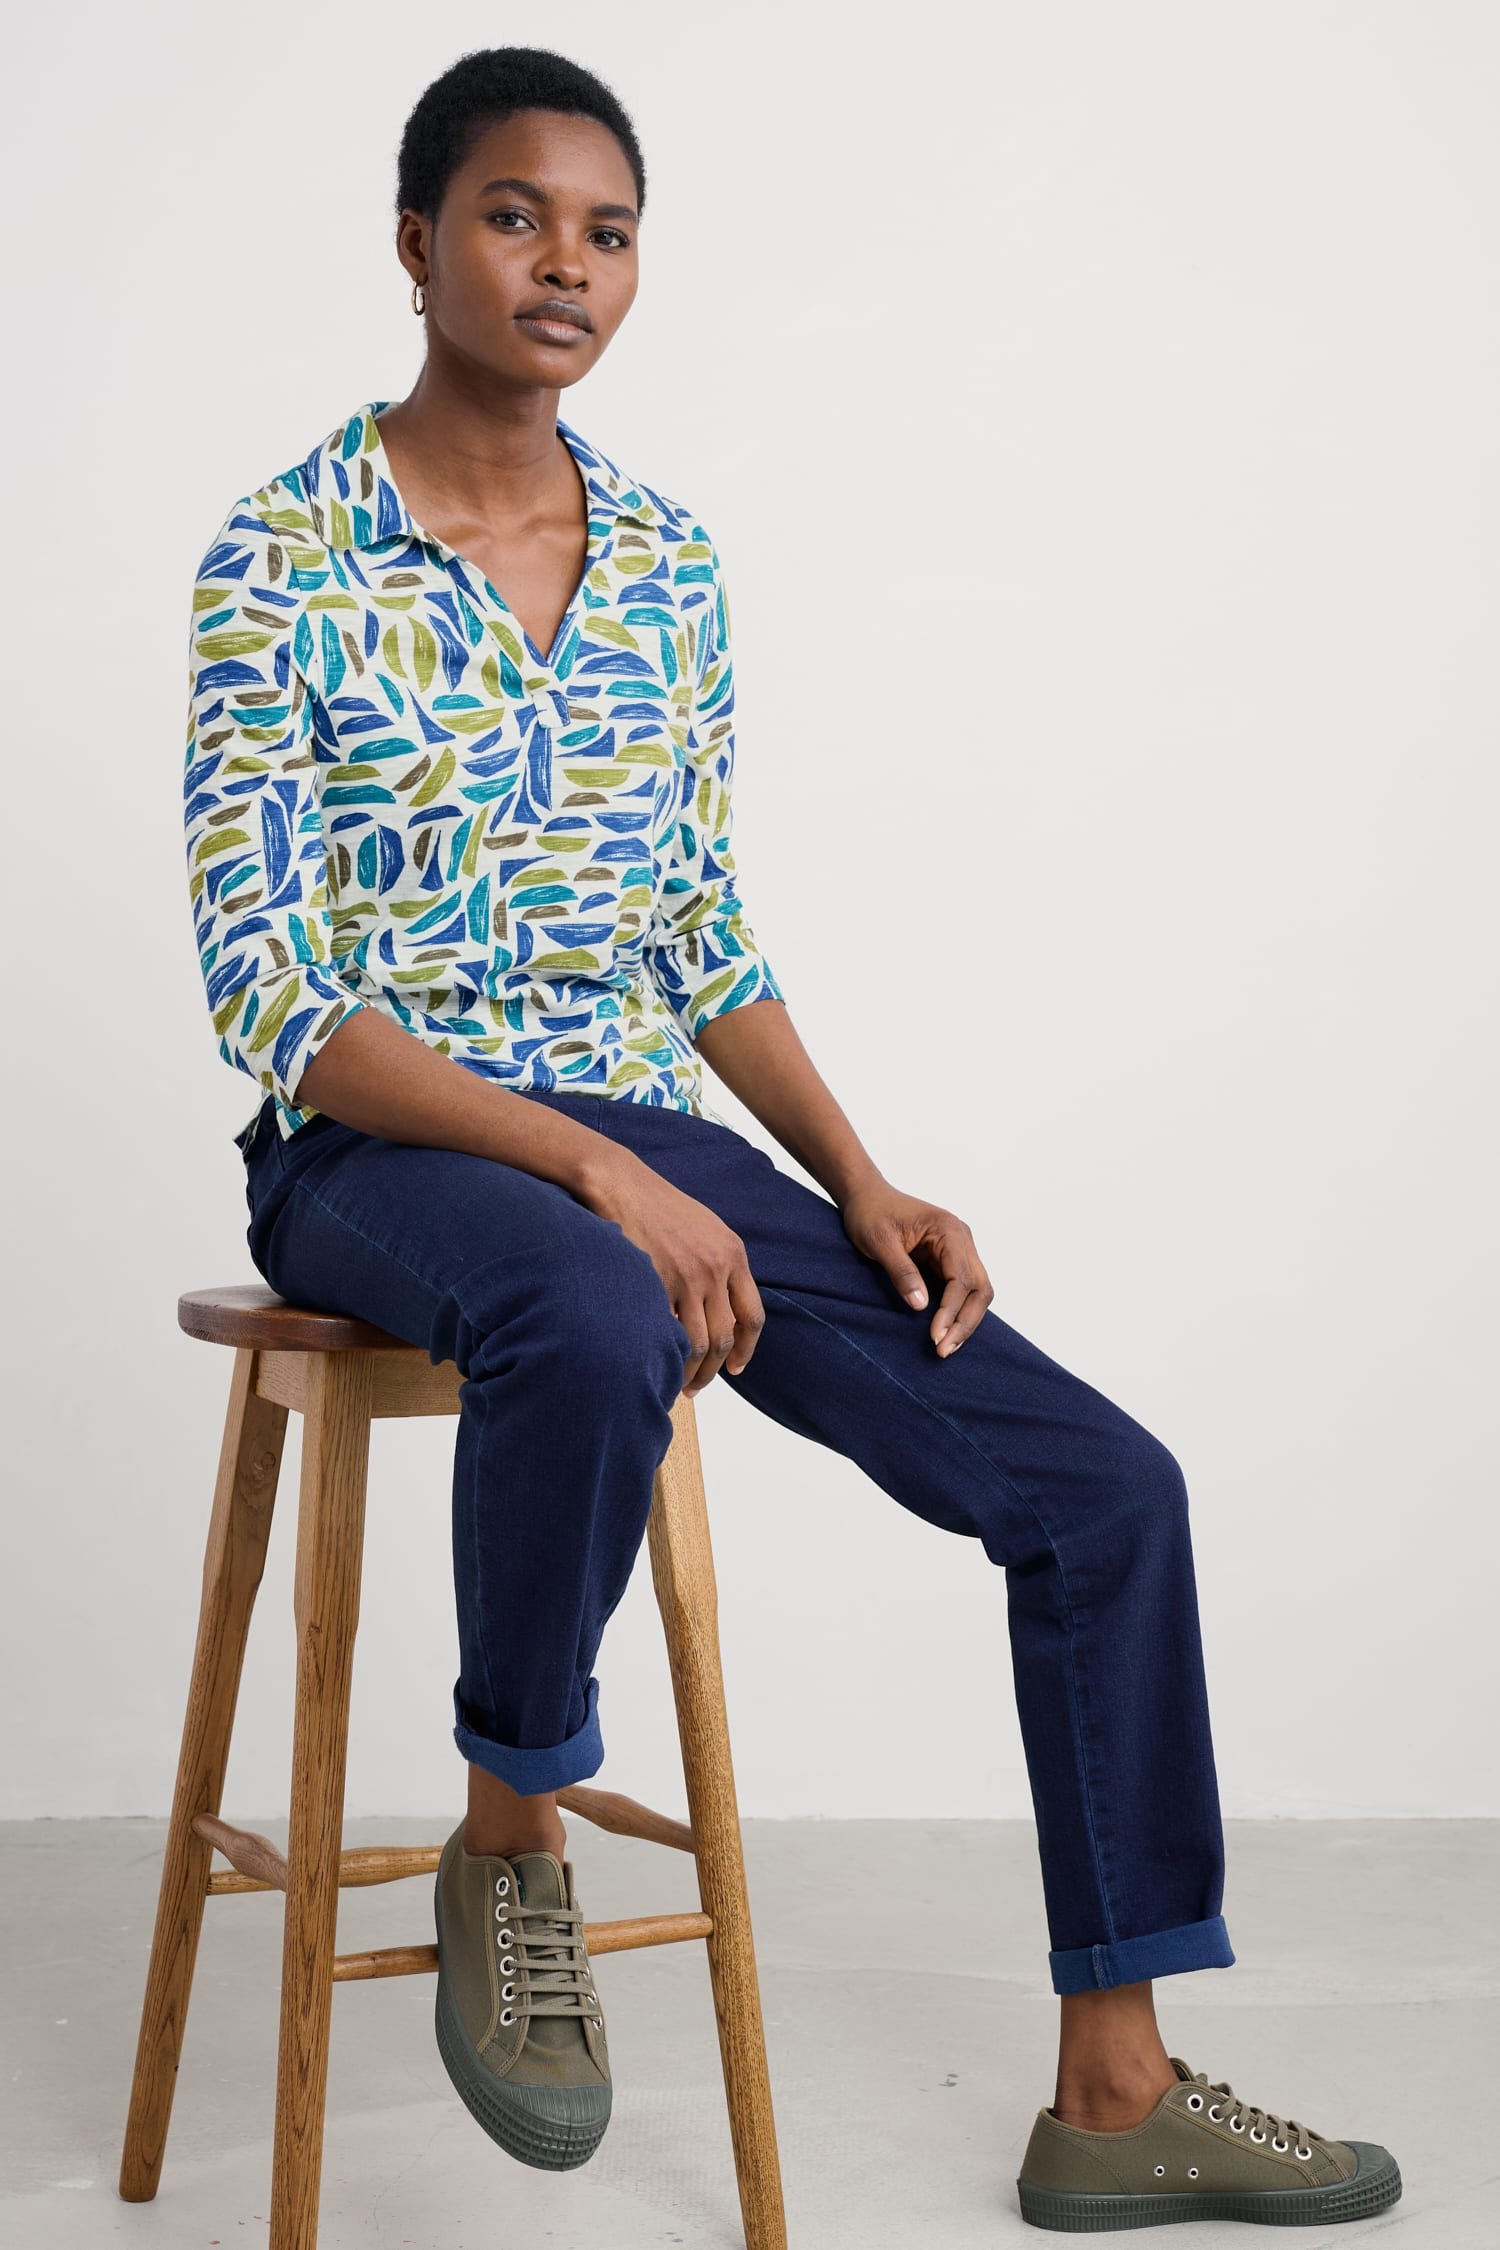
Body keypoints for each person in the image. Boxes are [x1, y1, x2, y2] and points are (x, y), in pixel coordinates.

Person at [180, 41, 1401, 2228]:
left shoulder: (666, 564)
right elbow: (275, 996)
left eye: (608, 231)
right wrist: (594, 1171)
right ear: (417, 245)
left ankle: (1115, 2089)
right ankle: (510, 1839)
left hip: (650, 1140)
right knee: (592, 1303)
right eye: (515, 216)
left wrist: (859, 1177)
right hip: (381, 1151)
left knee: (1105, 1490)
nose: (566, 264)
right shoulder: (281, 558)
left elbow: (697, 930)